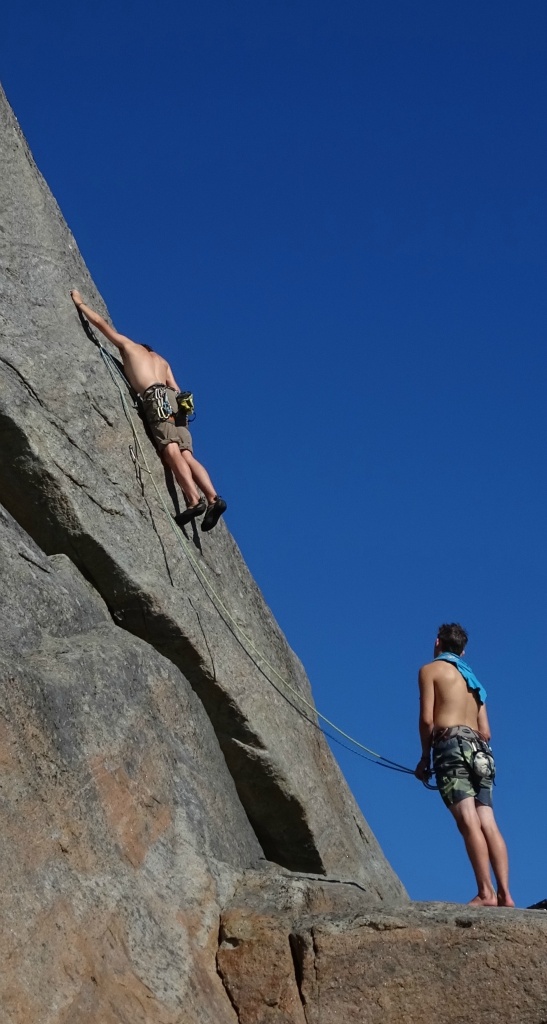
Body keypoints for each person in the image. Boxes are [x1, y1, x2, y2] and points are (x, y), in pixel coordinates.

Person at [70, 290, 227, 531]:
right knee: (187, 454)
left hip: (156, 397)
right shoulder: (162, 361)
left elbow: (100, 324)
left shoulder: (129, 347)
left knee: (170, 449)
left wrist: (80, 302)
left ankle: (194, 500)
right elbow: (176, 388)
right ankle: (214, 498)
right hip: (176, 401)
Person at [415, 623, 514, 908]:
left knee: (467, 819)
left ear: (437, 643)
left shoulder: (430, 670)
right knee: (487, 820)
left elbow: (427, 720)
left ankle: (485, 892)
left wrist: (424, 757)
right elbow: (487, 731)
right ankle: (505, 893)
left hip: (452, 747)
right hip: (482, 752)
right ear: (463, 650)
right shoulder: (475, 683)